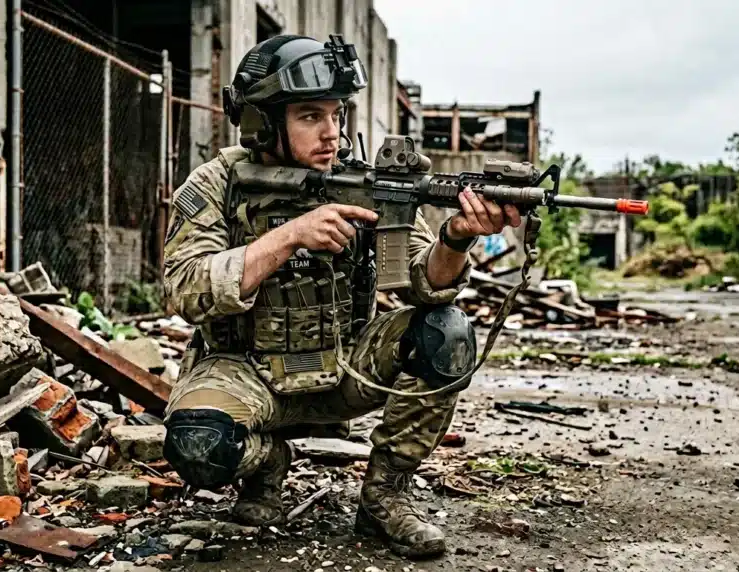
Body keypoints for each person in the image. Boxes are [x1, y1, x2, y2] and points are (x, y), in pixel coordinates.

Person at [160, 33, 521, 558]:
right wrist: (287, 236)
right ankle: (266, 465)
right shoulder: (217, 184)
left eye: (338, 113)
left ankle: (384, 499)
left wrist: (456, 238)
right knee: (197, 445)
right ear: (261, 121)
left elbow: (425, 283)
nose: (331, 133)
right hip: (244, 369)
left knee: (447, 332)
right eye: (310, 116)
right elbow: (186, 289)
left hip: (345, 364)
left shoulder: (363, 182)